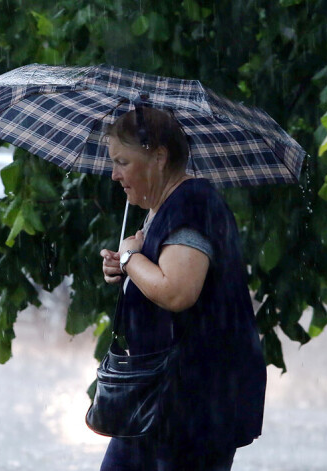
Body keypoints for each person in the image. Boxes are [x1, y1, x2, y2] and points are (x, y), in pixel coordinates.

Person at [98, 107, 267, 471]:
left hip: (192, 408)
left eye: (123, 162)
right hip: (156, 401)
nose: (114, 174)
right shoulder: (162, 208)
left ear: (159, 157)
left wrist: (130, 260)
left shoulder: (192, 204)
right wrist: (127, 267)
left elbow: (177, 291)